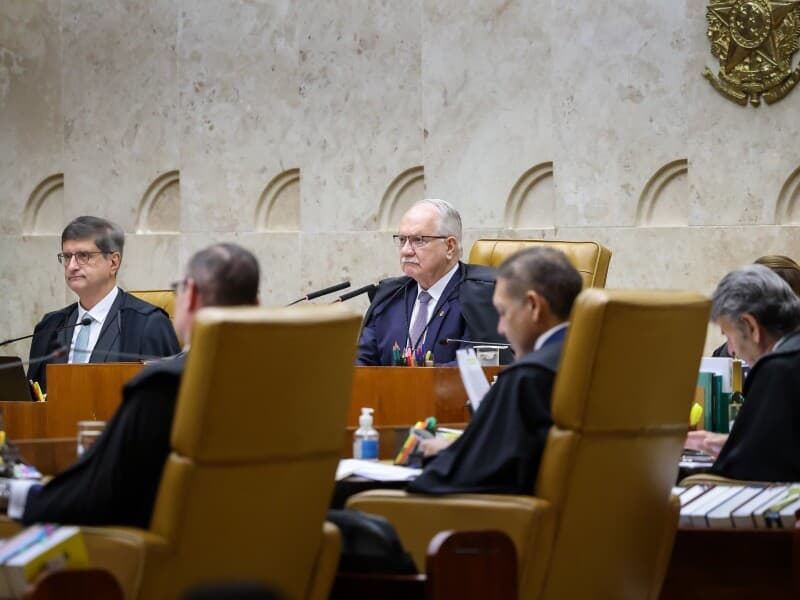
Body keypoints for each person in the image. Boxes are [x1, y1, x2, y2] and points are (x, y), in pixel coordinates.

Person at [4, 243, 260, 527]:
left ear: (191, 296)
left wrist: (14, 495)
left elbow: (98, 494)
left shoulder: (165, 386)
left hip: (142, 554)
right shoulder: (284, 382)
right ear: (257, 304)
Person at [407, 246, 583, 494]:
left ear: (534, 306)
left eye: (502, 312)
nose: (500, 328)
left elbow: (474, 474)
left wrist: (446, 455)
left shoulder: (529, 376)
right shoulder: (608, 364)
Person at [27, 216, 180, 392]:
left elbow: (167, 400)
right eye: (67, 256)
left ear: (113, 262)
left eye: (83, 256)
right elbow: (31, 399)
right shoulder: (50, 326)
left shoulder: (149, 323)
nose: (72, 266)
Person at [356, 199, 510, 366]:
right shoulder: (389, 296)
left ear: (450, 247)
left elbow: (482, 363)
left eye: (418, 240)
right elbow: (361, 363)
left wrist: (412, 382)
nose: (406, 250)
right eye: (402, 240)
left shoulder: (484, 293)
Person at [687, 255, 800, 457]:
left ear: (751, 326)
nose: (730, 350)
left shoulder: (778, 368)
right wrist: (736, 446)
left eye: (729, 336)